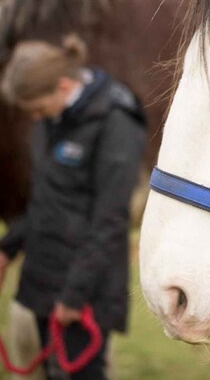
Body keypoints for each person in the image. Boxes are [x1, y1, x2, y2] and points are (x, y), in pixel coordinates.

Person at [0, 35, 146, 380]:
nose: (35, 117)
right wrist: (7, 248)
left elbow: (111, 220)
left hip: (84, 292)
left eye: (37, 108)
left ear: (64, 85)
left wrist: (74, 296)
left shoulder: (117, 123)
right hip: (42, 280)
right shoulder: (52, 119)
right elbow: (47, 199)